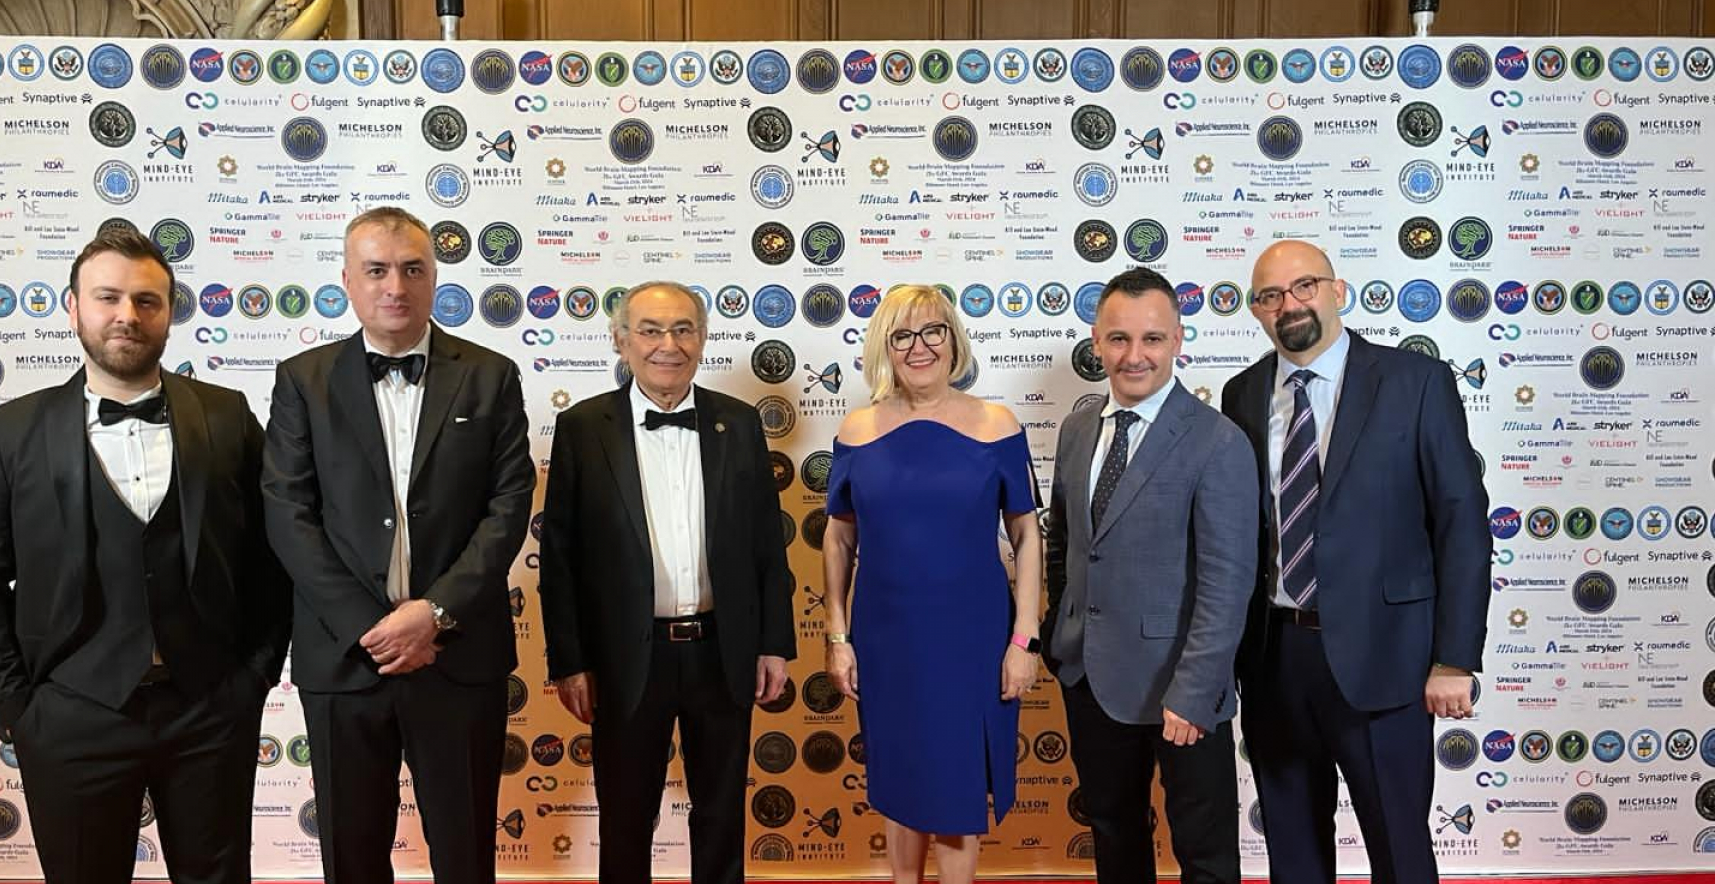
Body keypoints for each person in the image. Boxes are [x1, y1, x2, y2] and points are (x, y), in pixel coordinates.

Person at [0, 228, 291, 884]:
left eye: (146, 300)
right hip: (70, 714)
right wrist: (16, 707)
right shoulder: (10, 432)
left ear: (170, 313)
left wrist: (252, 679)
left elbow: (273, 558)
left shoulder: (227, 416)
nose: (127, 315)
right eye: (108, 297)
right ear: (73, 307)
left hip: (209, 711)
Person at [262, 206, 534, 884]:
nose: (395, 286)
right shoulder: (302, 380)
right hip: (345, 658)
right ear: (347, 282)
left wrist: (433, 614)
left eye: (413, 269)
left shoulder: (491, 375)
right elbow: (288, 513)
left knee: (465, 856)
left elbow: (508, 507)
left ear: (434, 278)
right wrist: (372, 628)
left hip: (458, 655)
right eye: (377, 270)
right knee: (352, 857)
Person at [1222, 240, 1489, 884]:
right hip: (1274, 659)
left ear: (1337, 291)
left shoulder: (1415, 382)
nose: (1289, 305)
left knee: (1400, 851)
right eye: (1270, 295)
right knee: (1293, 855)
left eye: (1304, 286)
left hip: (1388, 658)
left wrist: (1454, 659)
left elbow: (1461, 523)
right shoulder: (1241, 394)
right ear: (1255, 311)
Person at [538, 281, 796, 884]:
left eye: (683, 329)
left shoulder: (739, 422)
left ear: (702, 338)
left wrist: (773, 643)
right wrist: (570, 662)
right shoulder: (583, 427)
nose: (668, 345)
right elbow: (560, 558)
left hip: (721, 650)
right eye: (651, 331)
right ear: (621, 340)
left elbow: (766, 542)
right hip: (625, 658)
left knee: (721, 816)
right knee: (626, 819)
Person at [820, 283, 1042, 884]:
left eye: (932, 331)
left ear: (953, 339)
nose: (919, 347)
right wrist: (837, 637)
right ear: (884, 347)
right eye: (902, 335)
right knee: (901, 778)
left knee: (957, 781)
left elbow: (1026, 535)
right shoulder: (857, 430)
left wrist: (1024, 640)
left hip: (973, 639)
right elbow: (838, 539)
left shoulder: (996, 424)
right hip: (887, 640)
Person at [1042, 267, 1256, 884]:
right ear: (1097, 341)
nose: (1134, 355)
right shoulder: (1078, 428)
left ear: (1178, 340)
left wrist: (1195, 688)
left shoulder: (1218, 440)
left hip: (1180, 685)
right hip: (1088, 677)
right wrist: (1062, 636)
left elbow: (1227, 582)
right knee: (1114, 834)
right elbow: (1066, 544)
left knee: (1205, 852)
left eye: (1152, 339)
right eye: (1118, 338)